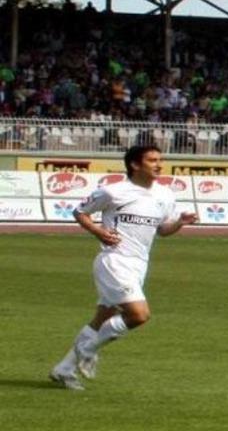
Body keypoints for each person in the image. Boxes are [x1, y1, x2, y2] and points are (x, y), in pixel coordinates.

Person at [49, 145, 198, 390]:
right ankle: (88, 349)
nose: (159, 164)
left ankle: (63, 370)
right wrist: (98, 231)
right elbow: (80, 211)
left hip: (139, 264)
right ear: (135, 165)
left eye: (160, 160)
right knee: (139, 314)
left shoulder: (165, 195)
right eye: (152, 160)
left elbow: (162, 230)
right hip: (114, 260)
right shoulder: (113, 191)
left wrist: (180, 222)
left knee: (102, 318)